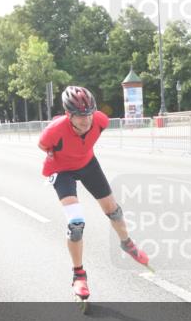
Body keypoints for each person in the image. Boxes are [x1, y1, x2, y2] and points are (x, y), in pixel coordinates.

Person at [37, 86, 150, 302]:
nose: (86, 120)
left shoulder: (101, 120)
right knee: (76, 224)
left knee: (114, 211)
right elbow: (42, 145)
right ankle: (79, 274)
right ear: (68, 115)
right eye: (80, 116)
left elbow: (93, 128)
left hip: (88, 164)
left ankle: (127, 243)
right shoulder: (53, 131)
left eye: (88, 114)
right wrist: (57, 158)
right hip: (62, 171)